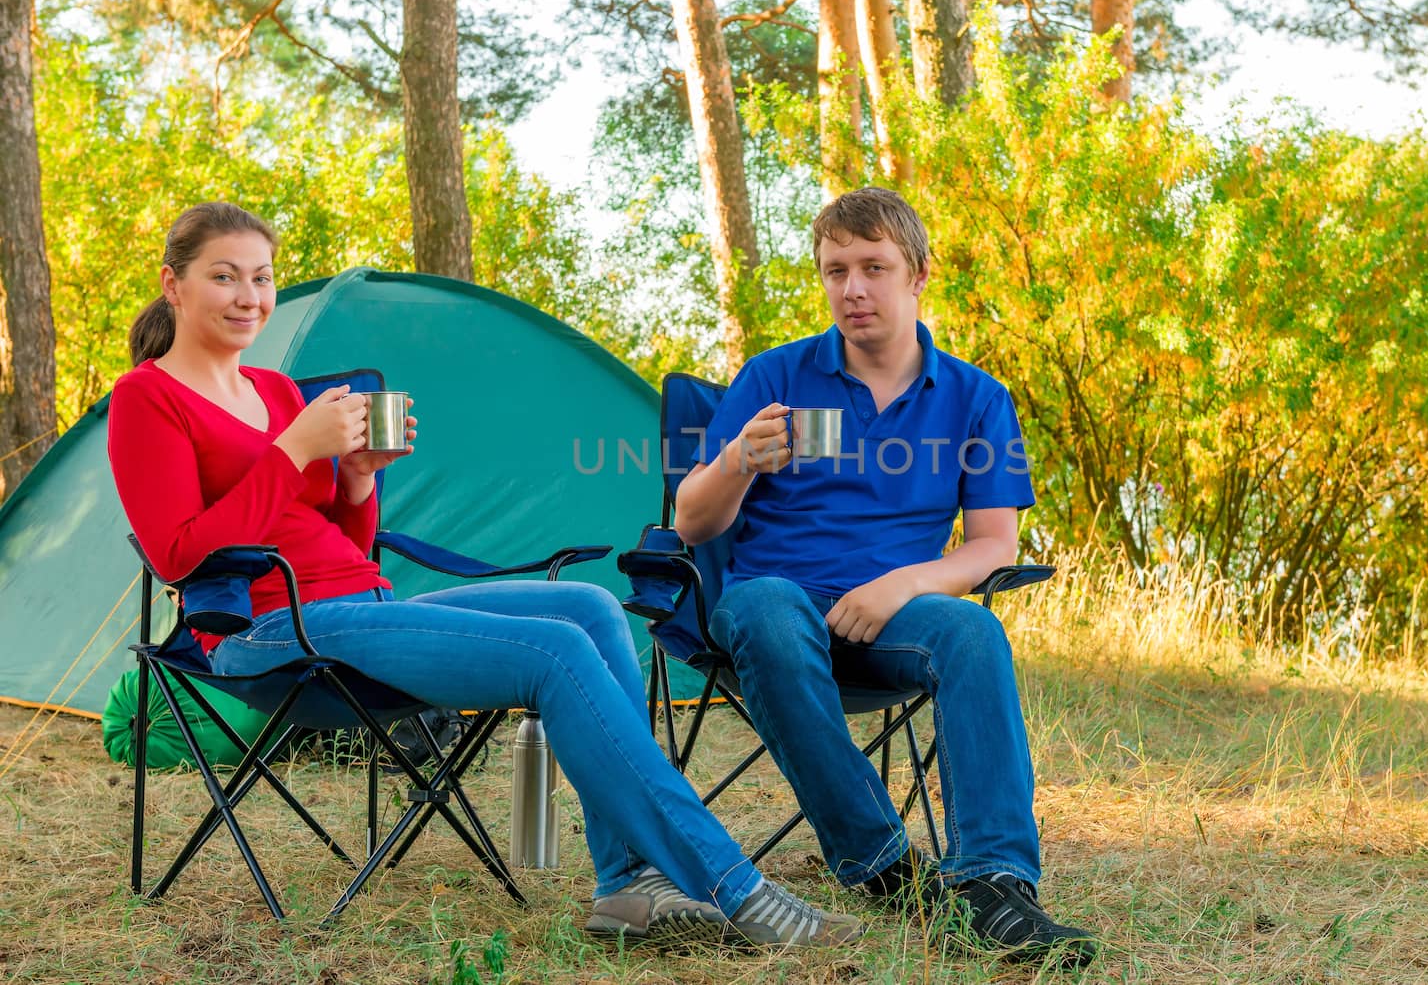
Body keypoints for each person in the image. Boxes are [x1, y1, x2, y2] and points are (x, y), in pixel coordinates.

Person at [107, 201, 862, 949]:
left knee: (591, 608)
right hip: (267, 633)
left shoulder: (274, 391)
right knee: (554, 652)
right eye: (225, 277)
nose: (250, 296)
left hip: (356, 608)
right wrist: (294, 451)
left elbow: (340, 544)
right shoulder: (148, 398)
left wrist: (359, 480)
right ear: (174, 286)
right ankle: (737, 887)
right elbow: (180, 554)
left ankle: (629, 882)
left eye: (262, 277)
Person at [674, 187, 1098, 965]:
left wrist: (902, 585)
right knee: (767, 605)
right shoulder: (774, 378)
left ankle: (992, 887)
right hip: (777, 611)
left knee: (972, 628)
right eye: (836, 271)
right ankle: (884, 866)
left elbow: (994, 547)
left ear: (918, 274)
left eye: (874, 267)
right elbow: (691, 523)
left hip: (890, 619)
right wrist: (738, 460)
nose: (853, 289)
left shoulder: (976, 399)